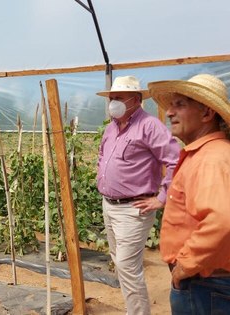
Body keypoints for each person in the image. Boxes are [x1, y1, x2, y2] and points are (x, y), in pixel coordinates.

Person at [148, 74, 230, 315]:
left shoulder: (211, 160)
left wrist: (186, 265)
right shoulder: (214, 154)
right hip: (212, 281)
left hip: (204, 283)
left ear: (207, 114)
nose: (169, 113)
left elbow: (223, 220)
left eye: (180, 105)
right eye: (171, 105)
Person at [96, 75, 180, 315]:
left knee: (126, 265)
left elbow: (175, 160)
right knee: (119, 261)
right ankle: (132, 309)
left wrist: (162, 197)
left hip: (134, 208)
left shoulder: (149, 126)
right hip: (109, 204)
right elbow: (103, 156)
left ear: (135, 100)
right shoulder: (111, 128)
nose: (113, 102)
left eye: (118, 98)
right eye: (112, 98)